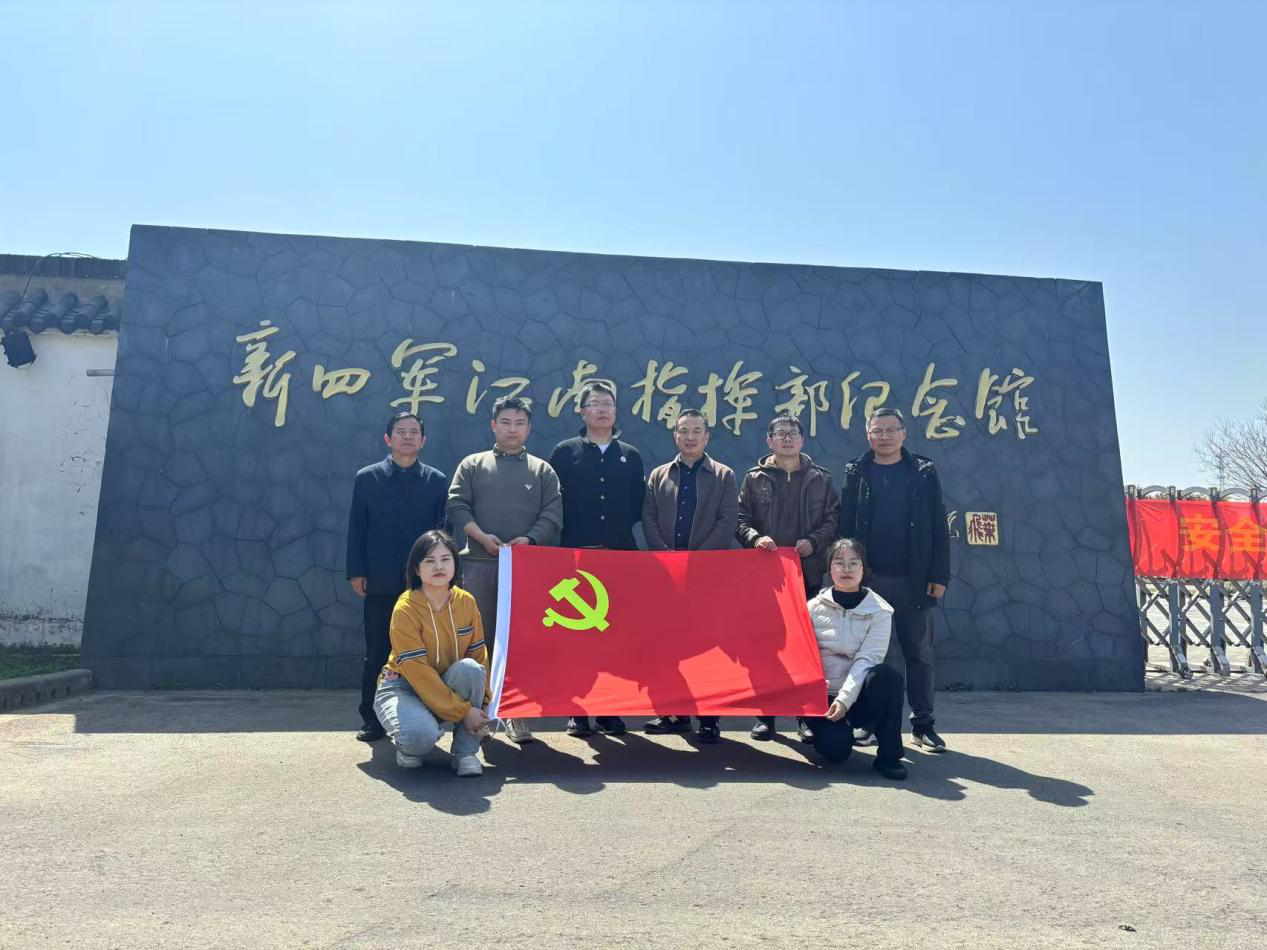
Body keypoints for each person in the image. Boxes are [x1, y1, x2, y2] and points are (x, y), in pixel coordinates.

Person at [446, 394, 563, 744]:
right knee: (476, 639)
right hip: (478, 566)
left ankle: (516, 713)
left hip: (525, 569)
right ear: (493, 425)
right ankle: (476, 715)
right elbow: (457, 506)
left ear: (529, 428)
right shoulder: (473, 464)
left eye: (520, 423)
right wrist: (482, 538)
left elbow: (553, 514)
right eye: (506, 422)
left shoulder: (542, 470)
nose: (512, 429)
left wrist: (529, 539)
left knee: (519, 641)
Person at [838, 407, 950, 753]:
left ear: (904, 433)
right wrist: (847, 574)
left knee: (919, 654)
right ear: (868, 435)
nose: (884, 436)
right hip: (870, 581)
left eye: (891, 430)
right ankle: (870, 723)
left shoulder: (923, 472)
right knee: (870, 656)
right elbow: (846, 526)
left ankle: (923, 724)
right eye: (877, 430)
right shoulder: (857, 472)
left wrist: (938, 574)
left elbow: (938, 525)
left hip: (914, 580)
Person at [548, 381, 646, 738]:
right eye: (595, 404)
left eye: (608, 404)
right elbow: (554, 503)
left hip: (619, 556)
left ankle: (608, 709)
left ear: (616, 411)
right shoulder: (564, 452)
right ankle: (578, 710)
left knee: (615, 637)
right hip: (577, 557)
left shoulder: (630, 455)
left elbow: (637, 505)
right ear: (582, 410)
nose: (602, 410)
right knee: (578, 636)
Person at [737, 413, 840, 742]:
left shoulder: (820, 478)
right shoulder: (754, 478)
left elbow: (832, 519)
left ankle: (804, 715)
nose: (786, 438)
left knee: (806, 645)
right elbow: (740, 519)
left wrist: (814, 542)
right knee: (765, 645)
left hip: (806, 574)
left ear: (802, 439)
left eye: (792, 433)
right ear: (769, 440)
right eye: (780, 433)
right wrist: (755, 538)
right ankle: (764, 716)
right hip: (766, 575)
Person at [346, 411, 448, 743]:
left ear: (423, 440)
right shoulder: (367, 478)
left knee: (423, 650)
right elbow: (357, 528)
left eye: (414, 432)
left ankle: (424, 713)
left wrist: (441, 577)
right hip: (379, 580)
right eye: (400, 431)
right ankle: (371, 717)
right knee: (377, 648)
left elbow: (442, 533)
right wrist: (356, 571)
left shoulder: (436, 481)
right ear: (388, 439)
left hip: (422, 585)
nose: (407, 437)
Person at [641, 408, 739, 744]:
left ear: (707, 437)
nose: (690, 437)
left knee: (708, 648)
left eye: (697, 431)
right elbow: (649, 517)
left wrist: (696, 559)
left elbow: (727, 522)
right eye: (684, 431)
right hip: (667, 575)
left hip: (707, 575)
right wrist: (665, 555)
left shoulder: (723, 475)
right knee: (670, 646)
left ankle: (709, 718)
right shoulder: (659, 475)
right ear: (675, 436)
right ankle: (675, 712)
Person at [373, 530, 491, 776]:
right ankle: (409, 743)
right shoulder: (405, 608)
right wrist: (464, 711)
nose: (439, 566)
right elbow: (417, 671)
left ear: (455, 564)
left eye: (446, 559)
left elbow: (479, 655)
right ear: (417, 569)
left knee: (470, 668)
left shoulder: (466, 602)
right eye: (430, 561)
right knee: (419, 737)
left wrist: (483, 708)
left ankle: (466, 753)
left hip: (447, 682)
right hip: (403, 686)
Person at [803, 538, 908, 780]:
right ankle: (819, 727)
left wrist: (845, 700)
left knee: (886, 677)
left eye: (853, 563)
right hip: (823, 696)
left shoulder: (880, 611)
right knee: (836, 752)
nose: (847, 569)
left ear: (864, 569)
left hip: (857, 696)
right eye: (839, 563)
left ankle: (889, 757)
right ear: (830, 570)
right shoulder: (811, 608)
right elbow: (804, 655)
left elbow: (867, 659)